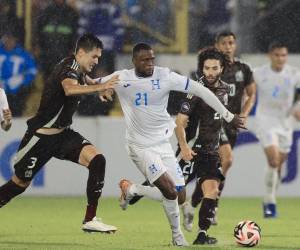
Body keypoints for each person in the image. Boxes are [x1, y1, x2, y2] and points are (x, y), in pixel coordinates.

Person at [99, 43, 244, 246]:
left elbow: (201, 90)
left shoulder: (165, 75)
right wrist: (102, 89)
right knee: (170, 191)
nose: (150, 63)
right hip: (140, 146)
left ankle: (132, 189)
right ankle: (178, 237)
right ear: (134, 61)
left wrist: (228, 116)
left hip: (163, 144)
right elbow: (91, 81)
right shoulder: (122, 77)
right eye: (145, 60)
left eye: (152, 59)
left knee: (180, 195)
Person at [0, 33, 119, 233]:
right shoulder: (69, 68)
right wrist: (101, 86)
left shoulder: (77, 67)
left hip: (63, 135)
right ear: (81, 53)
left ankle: (90, 220)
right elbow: (70, 89)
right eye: (94, 57)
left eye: (99, 57)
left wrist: (97, 88)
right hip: (40, 137)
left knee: (98, 160)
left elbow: (86, 80)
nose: (97, 61)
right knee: (19, 184)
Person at [181, 31, 256, 228]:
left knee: (219, 168)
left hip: (231, 124)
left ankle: (196, 203)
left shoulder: (244, 68)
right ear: (217, 45)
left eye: (231, 42)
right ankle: (212, 206)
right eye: (224, 43)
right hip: (212, 123)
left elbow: (251, 93)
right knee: (228, 159)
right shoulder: (211, 65)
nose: (228, 46)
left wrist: (244, 113)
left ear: (235, 45)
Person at [175, 48, 230, 244]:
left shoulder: (225, 89)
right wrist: (183, 148)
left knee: (212, 191)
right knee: (168, 191)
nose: (210, 72)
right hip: (191, 149)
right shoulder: (195, 91)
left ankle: (202, 235)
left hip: (209, 152)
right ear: (202, 69)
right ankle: (133, 191)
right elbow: (180, 122)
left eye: (215, 68)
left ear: (221, 69)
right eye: (207, 68)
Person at [253, 42, 300, 218]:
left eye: (283, 55)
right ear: (269, 56)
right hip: (265, 121)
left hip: (286, 123)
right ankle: (271, 201)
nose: (280, 59)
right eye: (277, 55)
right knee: (273, 160)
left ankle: (269, 197)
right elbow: (248, 90)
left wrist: (298, 107)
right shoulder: (259, 73)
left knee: (278, 166)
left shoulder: (294, 74)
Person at [0, 31, 37, 116]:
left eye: (11, 40)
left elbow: (32, 71)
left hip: (17, 91)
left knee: (15, 113)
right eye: (7, 40)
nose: (9, 42)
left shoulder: (23, 54)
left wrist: (22, 79)